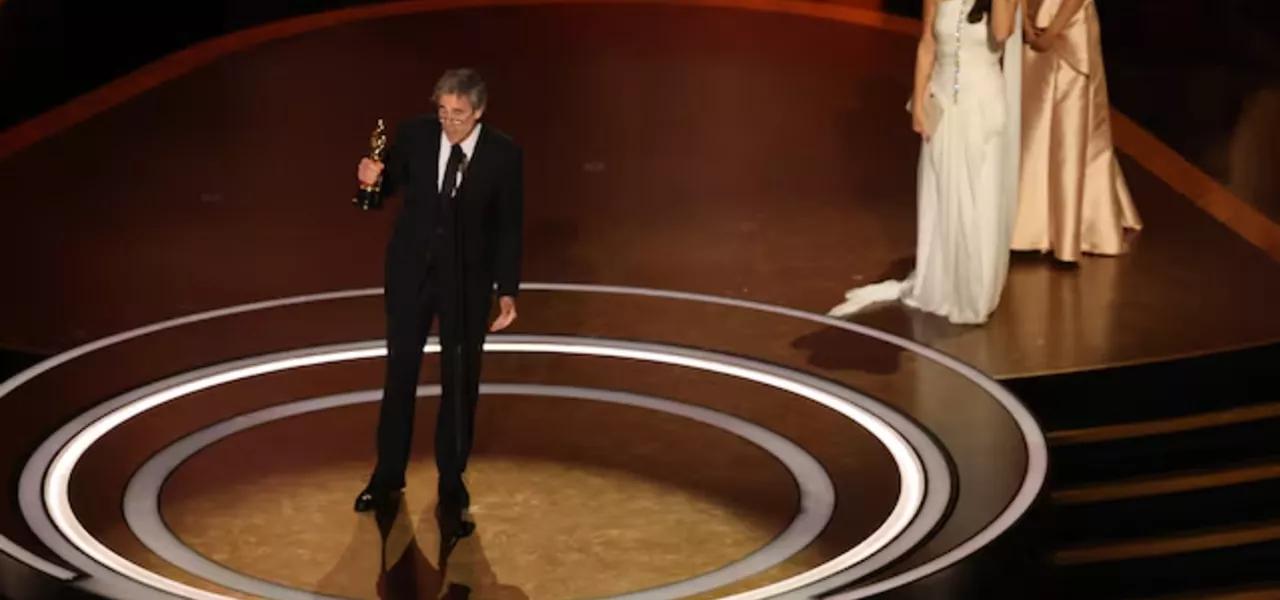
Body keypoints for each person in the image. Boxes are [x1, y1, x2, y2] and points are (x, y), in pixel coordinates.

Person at [352, 69, 524, 536]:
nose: (449, 122)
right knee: (399, 374)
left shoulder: (504, 155)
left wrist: (507, 290)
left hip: (467, 283)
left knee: (460, 381)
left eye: (459, 114)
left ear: (479, 111)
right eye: (443, 112)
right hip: (411, 276)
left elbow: (509, 225)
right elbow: (384, 190)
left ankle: (451, 484)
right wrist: (371, 181)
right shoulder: (415, 135)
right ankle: (386, 478)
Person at [830, 0, 1022, 325]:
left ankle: (974, 290)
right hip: (942, 101)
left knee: (979, 198)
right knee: (943, 196)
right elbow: (927, 43)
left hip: (982, 107)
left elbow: (1002, 32)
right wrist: (918, 102)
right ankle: (943, 281)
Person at [1012, 0, 1141, 261]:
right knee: (1032, 127)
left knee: (1070, 130)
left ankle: (1069, 231)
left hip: (1069, 28)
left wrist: (1052, 31)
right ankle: (1029, 224)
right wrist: (1023, 20)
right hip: (1031, 27)